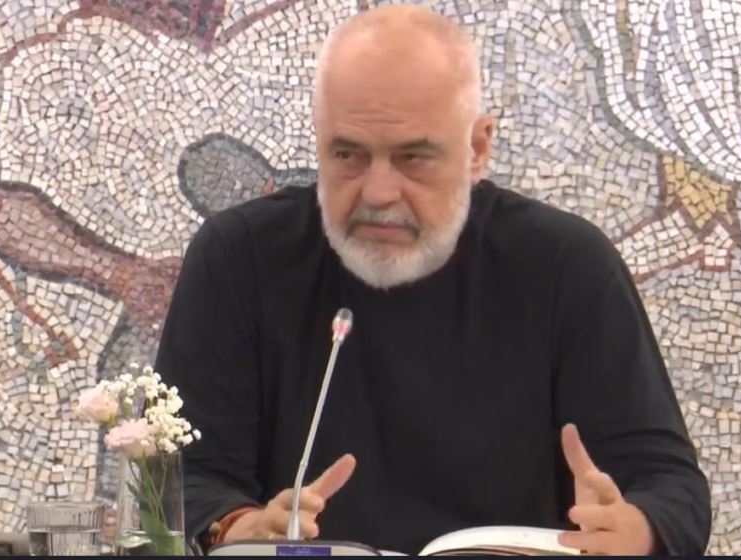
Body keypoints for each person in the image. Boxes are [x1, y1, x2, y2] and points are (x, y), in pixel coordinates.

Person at [154, 4, 712, 556]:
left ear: (477, 148)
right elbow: (179, 480)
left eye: (413, 158)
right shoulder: (240, 258)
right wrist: (239, 529)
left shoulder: (568, 265)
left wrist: (636, 529)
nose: (378, 193)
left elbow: (670, 486)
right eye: (348, 154)